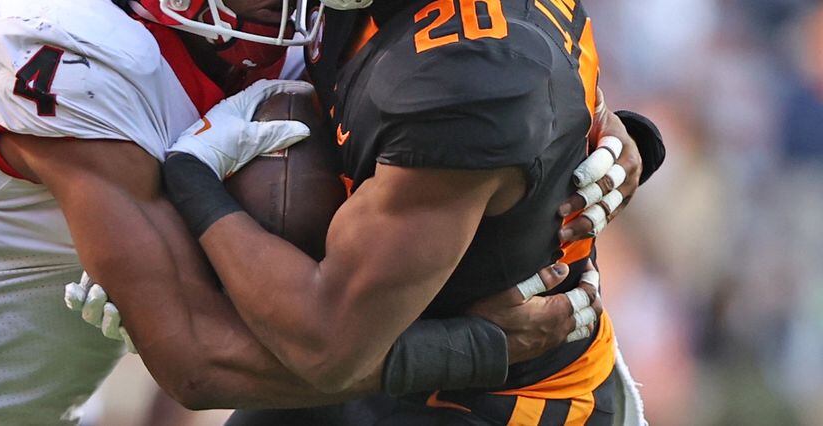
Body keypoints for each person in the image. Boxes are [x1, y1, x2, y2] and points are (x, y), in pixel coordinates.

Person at [0, 0, 642, 424]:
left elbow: (472, 103)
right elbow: (194, 356)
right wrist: (481, 346)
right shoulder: (59, 43)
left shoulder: (284, 30)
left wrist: (608, 141)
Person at [126, 0, 665, 424]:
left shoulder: (471, 80)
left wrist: (191, 181)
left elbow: (317, 347)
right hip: (376, 322)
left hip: (500, 403)